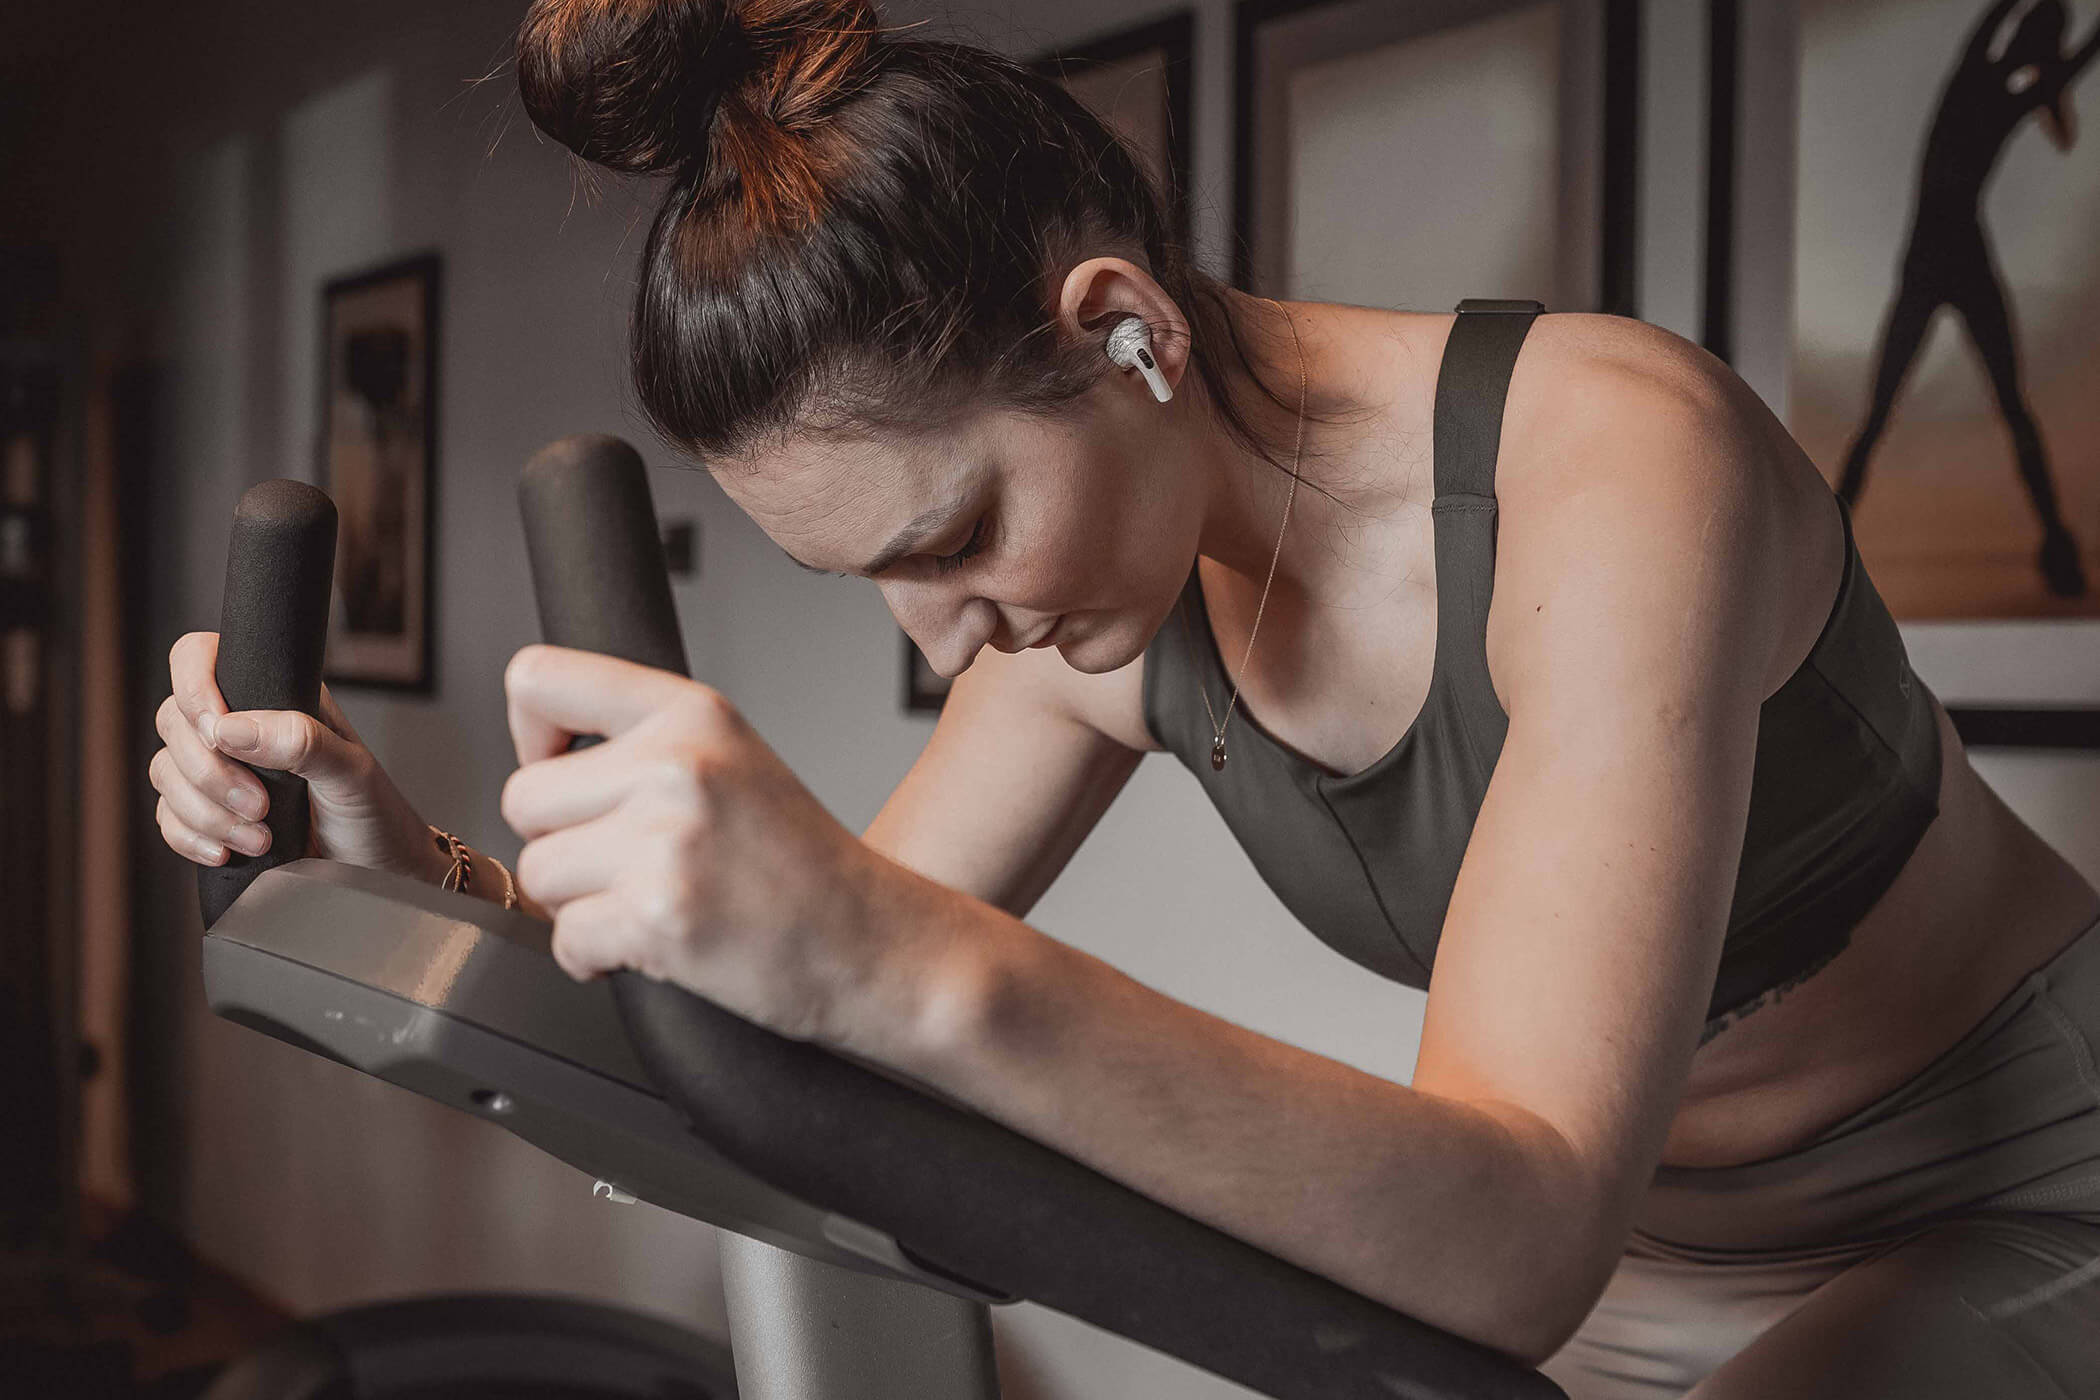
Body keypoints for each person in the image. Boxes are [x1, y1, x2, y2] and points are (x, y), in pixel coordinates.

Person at [149, 0, 2100, 1392]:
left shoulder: (1612, 475)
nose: (944, 641)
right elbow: (782, 1041)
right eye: (874, 586)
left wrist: (883, 957)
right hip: (1642, 1264)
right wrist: (413, 877)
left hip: (1996, 1192)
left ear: (1125, 331)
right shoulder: (1106, 610)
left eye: (959, 529)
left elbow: (1515, 1228)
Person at [1837, 0, 2100, 599]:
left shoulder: (1990, 83)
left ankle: (2057, 544)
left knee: (1890, 412)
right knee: (1992, 406)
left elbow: (2049, 48)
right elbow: (2067, 56)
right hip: (1946, 258)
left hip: (1940, 256)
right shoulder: (1997, 88)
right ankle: (2056, 543)